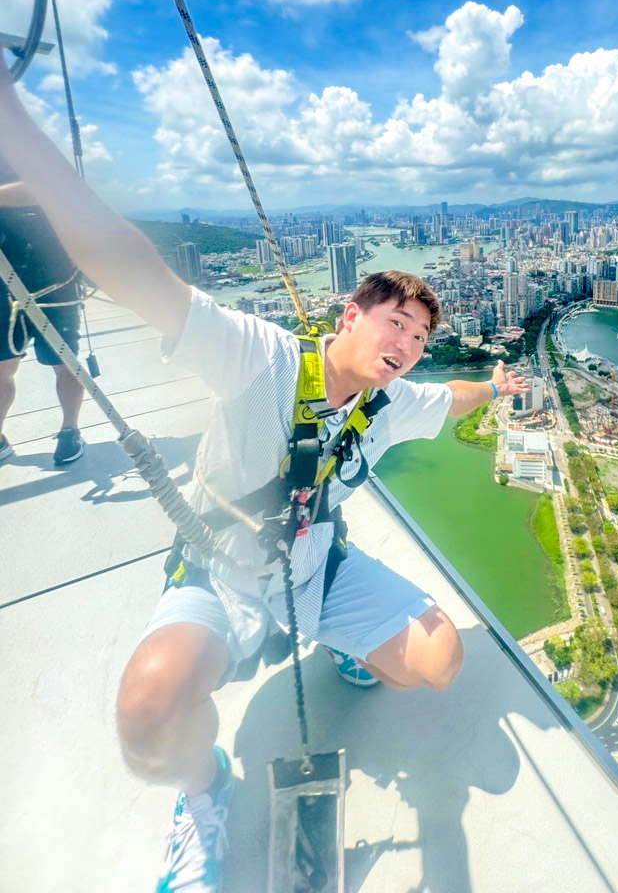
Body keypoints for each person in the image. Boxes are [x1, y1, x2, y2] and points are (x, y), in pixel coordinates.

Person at [0, 50, 529, 893]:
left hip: (318, 571)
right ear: (349, 314)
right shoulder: (260, 358)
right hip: (220, 570)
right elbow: (135, 269)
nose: (408, 345)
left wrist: (494, 386)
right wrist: (15, 125)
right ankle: (203, 792)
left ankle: (346, 647)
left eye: (421, 337)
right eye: (396, 322)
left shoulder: (394, 405)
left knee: (438, 665)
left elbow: (453, 398)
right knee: (146, 714)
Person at [0, 159, 86, 465]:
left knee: (65, 362)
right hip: (6, 282)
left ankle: (70, 428)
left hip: (54, 278)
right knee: (2, 366)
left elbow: (45, 188)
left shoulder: (21, 150)